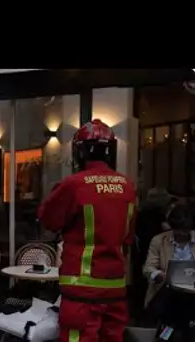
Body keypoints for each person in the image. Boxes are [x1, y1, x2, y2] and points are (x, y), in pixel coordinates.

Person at [37, 119, 137, 342]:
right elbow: (128, 236)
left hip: (81, 288)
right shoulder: (127, 186)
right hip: (115, 287)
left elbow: (49, 220)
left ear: (79, 152)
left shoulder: (75, 184)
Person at [143, 203, 195, 307]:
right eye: (177, 230)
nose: (181, 234)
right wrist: (157, 274)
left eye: (185, 230)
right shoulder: (159, 240)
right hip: (166, 293)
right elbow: (148, 267)